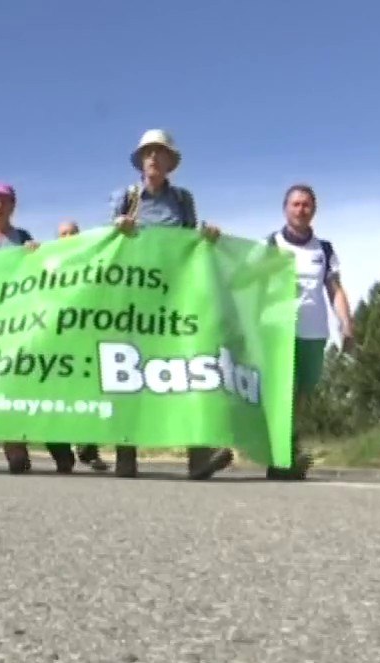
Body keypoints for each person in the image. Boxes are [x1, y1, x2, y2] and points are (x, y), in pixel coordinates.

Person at [110, 129, 232, 481]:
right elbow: (106, 244)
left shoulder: (182, 199)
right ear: (141, 160)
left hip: (174, 297)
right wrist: (118, 227)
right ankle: (125, 453)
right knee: (128, 370)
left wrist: (206, 237)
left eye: (160, 153)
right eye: (148, 152)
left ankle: (198, 457)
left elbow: (191, 242)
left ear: (169, 162)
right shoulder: (126, 197)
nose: (153, 158)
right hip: (133, 297)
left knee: (188, 369)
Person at [0, 183, 75, 474]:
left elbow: (43, 274)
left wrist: (36, 255)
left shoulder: (23, 238)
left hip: (16, 323)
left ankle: (15, 446)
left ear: (13, 206)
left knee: (13, 384)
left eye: (4, 201)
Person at [266, 184, 355, 480]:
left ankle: (287, 450)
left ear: (313, 210)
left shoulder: (324, 249)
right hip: (280, 331)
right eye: (295, 204)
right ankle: (283, 455)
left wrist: (346, 323)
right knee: (284, 392)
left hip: (314, 331)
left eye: (306, 205)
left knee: (304, 392)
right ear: (285, 208)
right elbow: (252, 285)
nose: (300, 210)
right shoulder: (271, 244)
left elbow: (334, 288)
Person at [47, 220, 111, 473]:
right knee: (54, 395)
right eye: (64, 233)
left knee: (84, 393)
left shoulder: (93, 261)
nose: (70, 236)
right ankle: (60, 452)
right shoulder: (48, 263)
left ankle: (88, 450)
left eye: (74, 232)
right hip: (54, 338)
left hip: (84, 336)